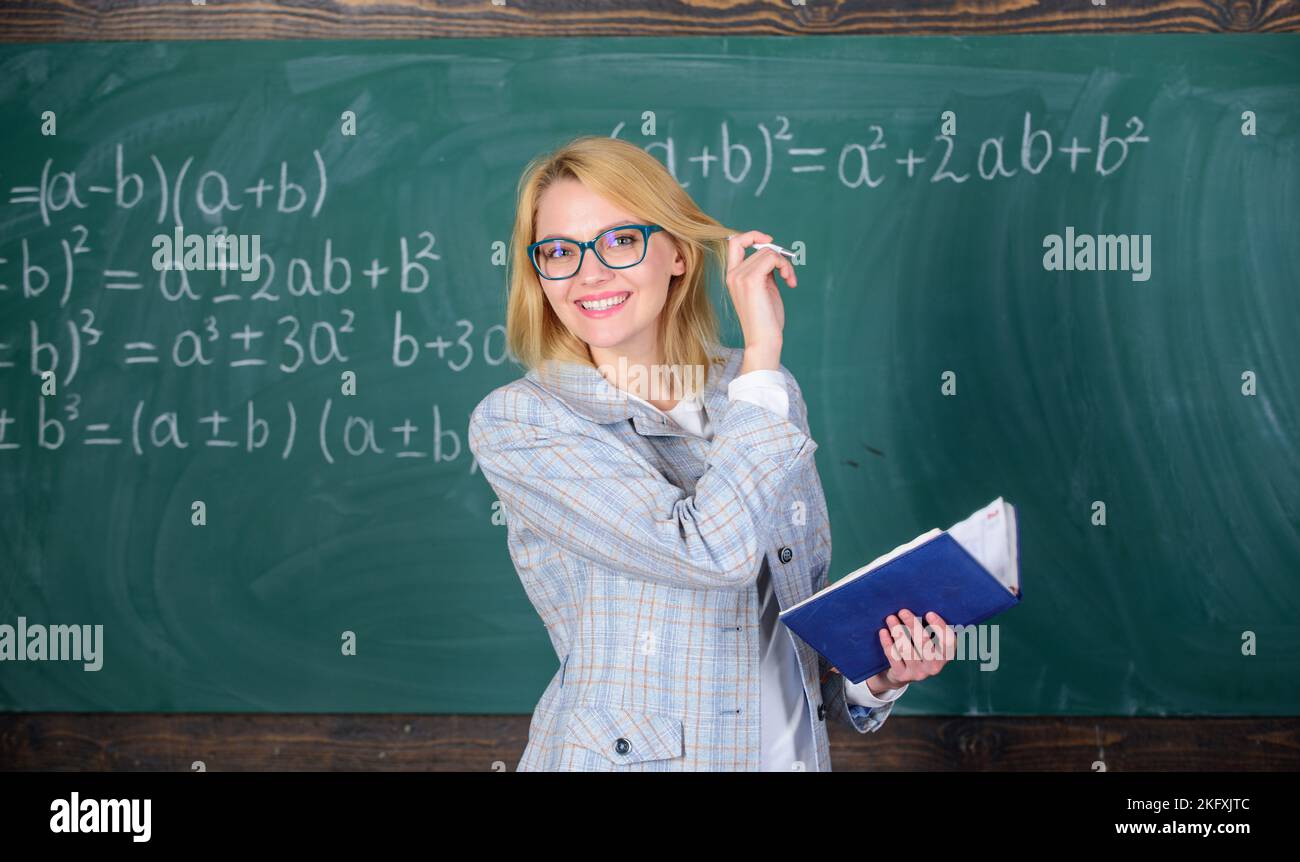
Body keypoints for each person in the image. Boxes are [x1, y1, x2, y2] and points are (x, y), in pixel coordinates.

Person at [468, 135, 954, 771]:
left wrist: (879, 674)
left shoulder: (753, 391)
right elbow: (711, 552)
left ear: (675, 253)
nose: (589, 273)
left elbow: (792, 634)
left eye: (620, 240)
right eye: (559, 251)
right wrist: (762, 356)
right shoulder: (523, 421)